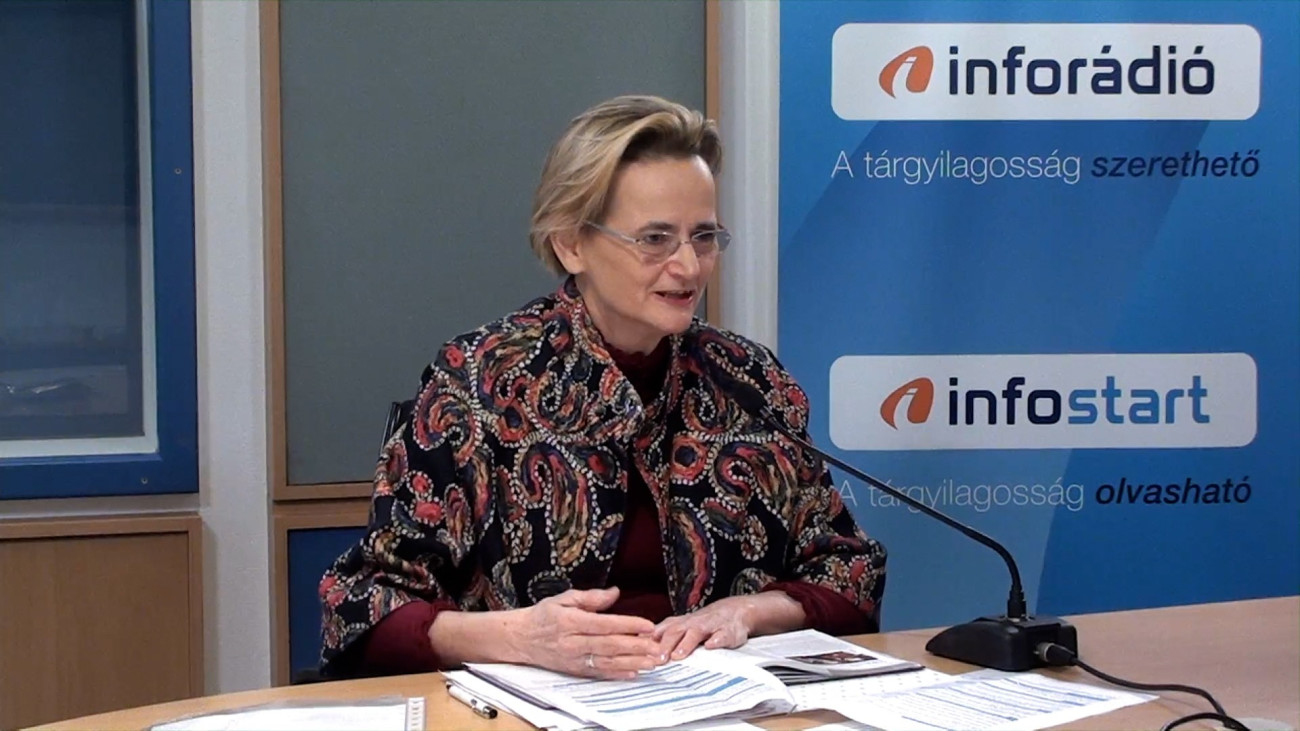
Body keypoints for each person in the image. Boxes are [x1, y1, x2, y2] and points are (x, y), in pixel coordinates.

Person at [318, 94, 887, 680]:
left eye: (704, 236)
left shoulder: (747, 378)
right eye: (655, 239)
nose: (689, 267)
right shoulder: (481, 381)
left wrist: (748, 611)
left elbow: (850, 572)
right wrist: (521, 638)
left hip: (721, 704)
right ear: (571, 244)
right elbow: (361, 606)